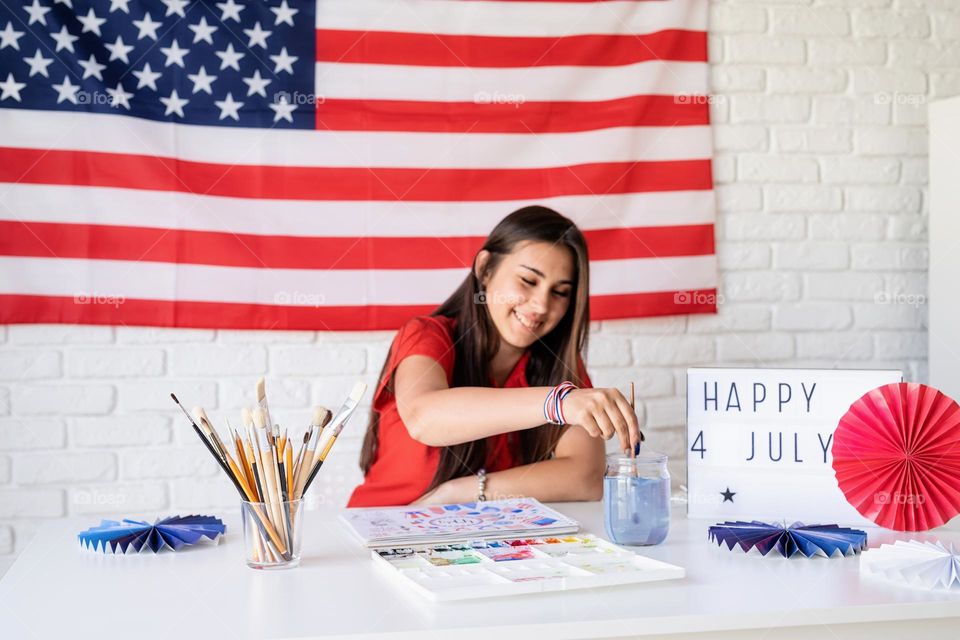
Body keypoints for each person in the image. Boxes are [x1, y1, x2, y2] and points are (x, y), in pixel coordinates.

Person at [347, 206, 642, 507]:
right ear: (485, 269)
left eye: (560, 292)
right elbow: (425, 419)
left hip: (472, 540)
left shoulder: (557, 362)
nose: (541, 305)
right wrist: (558, 403)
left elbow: (585, 478)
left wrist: (458, 494)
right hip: (379, 532)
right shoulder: (427, 335)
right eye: (528, 281)